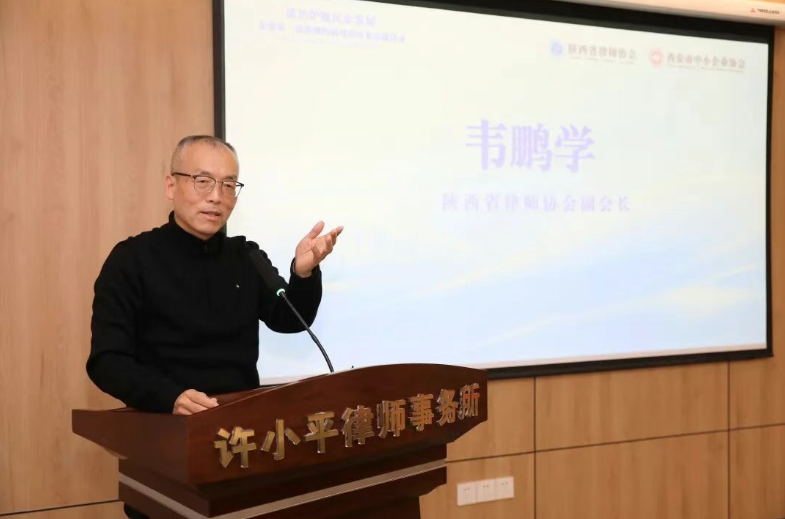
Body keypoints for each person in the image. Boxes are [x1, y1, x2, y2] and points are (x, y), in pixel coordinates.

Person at [86, 135, 342, 519]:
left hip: (244, 445)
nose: (216, 197)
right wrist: (169, 396)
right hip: (166, 445)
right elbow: (107, 360)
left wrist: (303, 275)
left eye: (228, 185)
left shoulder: (246, 257)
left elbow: (289, 319)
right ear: (171, 186)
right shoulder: (131, 260)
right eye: (203, 181)